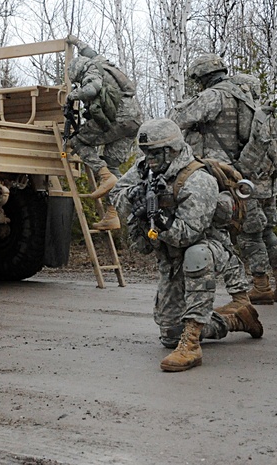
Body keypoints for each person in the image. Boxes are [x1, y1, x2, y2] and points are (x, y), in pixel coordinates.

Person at [110, 119, 263, 372]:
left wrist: (161, 221)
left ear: (171, 150)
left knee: (196, 254)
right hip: (171, 257)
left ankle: (191, 343)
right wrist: (133, 197)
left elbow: (190, 234)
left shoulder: (198, 180)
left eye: (154, 153)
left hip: (209, 247)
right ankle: (236, 321)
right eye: (145, 152)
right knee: (169, 334)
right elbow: (116, 195)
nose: (148, 158)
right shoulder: (145, 169)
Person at [169, 53, 254, 311]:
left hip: (209, 173)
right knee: (222, 230)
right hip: (231, 173)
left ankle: (229, 297)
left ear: (203, 77)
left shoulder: (214, 96)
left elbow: (176, 121)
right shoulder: (242, 96)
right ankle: (240, 294)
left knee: (207, 233)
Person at [63, 35, 142, 230]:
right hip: (134, 121)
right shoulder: (99, 62)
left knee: (78, 142)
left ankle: (103, 175)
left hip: (119, 119)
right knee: (112, 163)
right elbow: (88, 50)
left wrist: (74, 94)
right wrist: (75, 41)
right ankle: (112, 215)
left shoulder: (91, 73)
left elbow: (92, 89)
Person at [228, 74, 277, 303]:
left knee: (249, 237)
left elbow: (251, 151)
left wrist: (237, 172)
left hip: (250, 188)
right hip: (269, 189)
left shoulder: (251, 120)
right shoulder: (273, 121)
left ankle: (261, 285)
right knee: (267, 234)